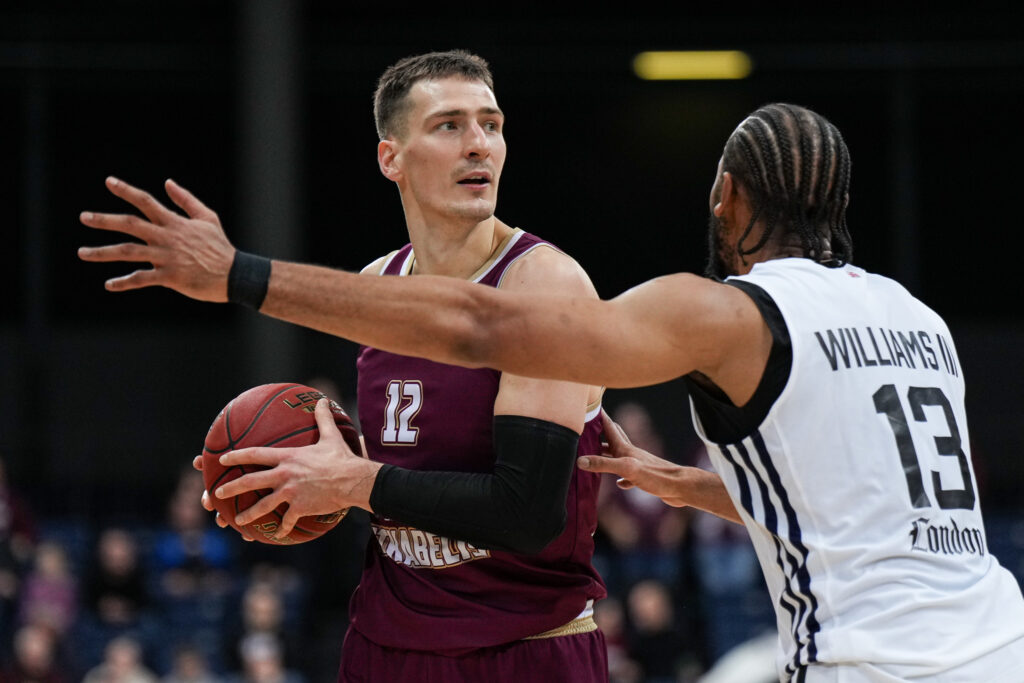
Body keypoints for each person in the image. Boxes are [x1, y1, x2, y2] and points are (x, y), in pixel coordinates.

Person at [78, 92, 1024, 680]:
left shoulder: (729, 312)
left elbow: (483, 325)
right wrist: (690, 484)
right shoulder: (915, 317)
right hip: (999, 638)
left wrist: (240, 275)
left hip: (871, 665)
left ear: (725, 199)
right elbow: (873, 511)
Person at [80, 50, 608, 681]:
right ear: (391, 158)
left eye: (490, 125)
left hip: (525, 649)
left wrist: (353, 483)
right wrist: (282, 484)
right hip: (384, 646)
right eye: (449, 125)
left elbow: (527, 514)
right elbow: (396, 479)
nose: (479, 145)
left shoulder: (544, 285)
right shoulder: (376, 282)